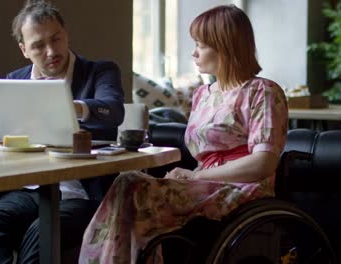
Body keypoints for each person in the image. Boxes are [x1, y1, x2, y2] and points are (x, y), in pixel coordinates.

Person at [79, 4, 288, 263]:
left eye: (200, 45)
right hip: (202, 183)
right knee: (127, 183)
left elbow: (262, 163)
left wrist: (196, 175)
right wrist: (192, 176)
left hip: (242, 187)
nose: (194, 53)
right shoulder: (203, 94)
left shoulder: (262, 92)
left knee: (131, 186)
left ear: (225, 46)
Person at [0, 1, 124, 263]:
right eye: (38, 45)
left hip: (79, 191)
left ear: (66, 35)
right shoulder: (15, 81)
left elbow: (112, 111)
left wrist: (69, 106)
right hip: (29, 188)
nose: (51, 51)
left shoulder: (99, 72)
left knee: (40, 233)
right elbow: (3, 138)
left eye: (56, 39)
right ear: (24, 50)